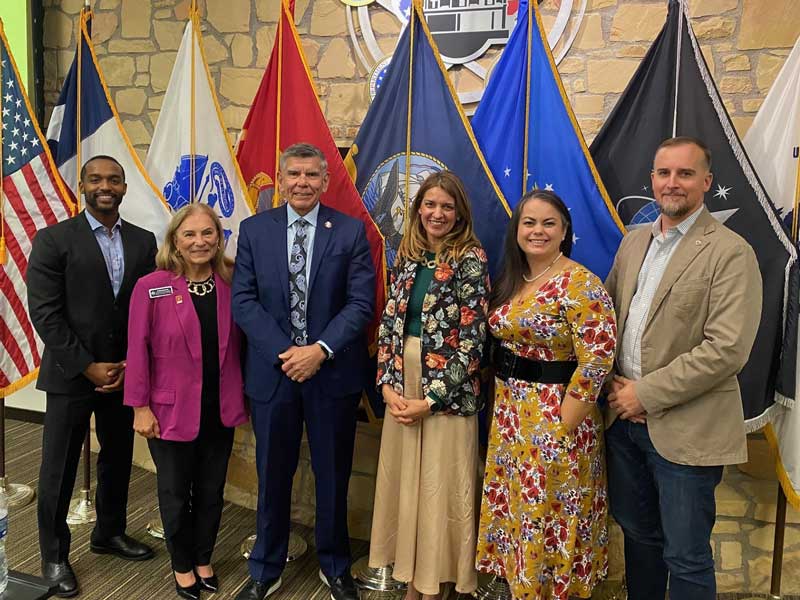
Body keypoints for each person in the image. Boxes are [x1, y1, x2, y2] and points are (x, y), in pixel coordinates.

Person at [603, 136, 762, 600]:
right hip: (624, 425)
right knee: (640, 542)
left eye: (685, 173)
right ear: (652, 180)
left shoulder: (731, 253)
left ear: (706, 182)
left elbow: (726, 349)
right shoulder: (633, 243)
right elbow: (609, 320)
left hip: (686, 431)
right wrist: (615, 390)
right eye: (664, 173)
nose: (673, 183)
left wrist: (644, 395)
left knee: (687, 557)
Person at [232, 143, 375, 600]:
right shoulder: (254, 230)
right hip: (274, 376)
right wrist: (286, 353)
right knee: (273, 473)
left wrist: (320, 350)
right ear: (281, 177)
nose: (302, 183)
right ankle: (265, 566)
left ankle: (334, 566)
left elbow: (360, 303)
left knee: (334, 474)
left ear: (325, 180)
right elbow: (244, 301)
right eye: (293, 174)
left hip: (331, 375)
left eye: (312, 176)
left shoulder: (350, 232)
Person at [476, 190, 617, 600]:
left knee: (550, 514)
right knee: (522, 513)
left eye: (548, 223)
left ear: (565, 230)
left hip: (556, 420)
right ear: (517, 229)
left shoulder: (579, 282)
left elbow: (596, 361)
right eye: (529, 223)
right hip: (511, 418)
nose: (538, 231)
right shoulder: (514, 277)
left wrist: (561, 427)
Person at [26, 155, 156, 598]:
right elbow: (45, 313)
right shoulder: (53, 240)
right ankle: (54, 555)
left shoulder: (144, 241)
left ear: (124, 187)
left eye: (114, 179)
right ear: (82, 185)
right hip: (70, 374)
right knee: (58, 469)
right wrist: (86, 364)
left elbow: (144, 308)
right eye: (96, 179)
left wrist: (129, 366)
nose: (106, 185)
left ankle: (109, 533)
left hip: (124, 374)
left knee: (117, 458)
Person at [369, 171, 489, 599]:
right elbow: (389, 324)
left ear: (459, 214)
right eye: (430, 204)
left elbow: (473, 344)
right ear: (418, 207)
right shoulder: (409, 254)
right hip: (403, 386)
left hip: (447, 396)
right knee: (407, 485)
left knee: (440, 487)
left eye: (446, 207)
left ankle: (434, 586)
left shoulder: (470, 258)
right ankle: (411, 583)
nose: (437, 214)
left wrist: (431, 401)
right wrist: (386, 385)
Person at [124, 203, 248, 600]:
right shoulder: (152, 286)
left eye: (207, 233)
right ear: (175, 240)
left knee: (212, 492)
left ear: (219, 238)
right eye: (190, 234)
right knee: (176, 493)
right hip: (168, 411)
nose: (199, 242)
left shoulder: (232, 283)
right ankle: (181, 564)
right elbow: (137, 350)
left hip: (220, 408)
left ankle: (203, 557)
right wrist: (139, 407)